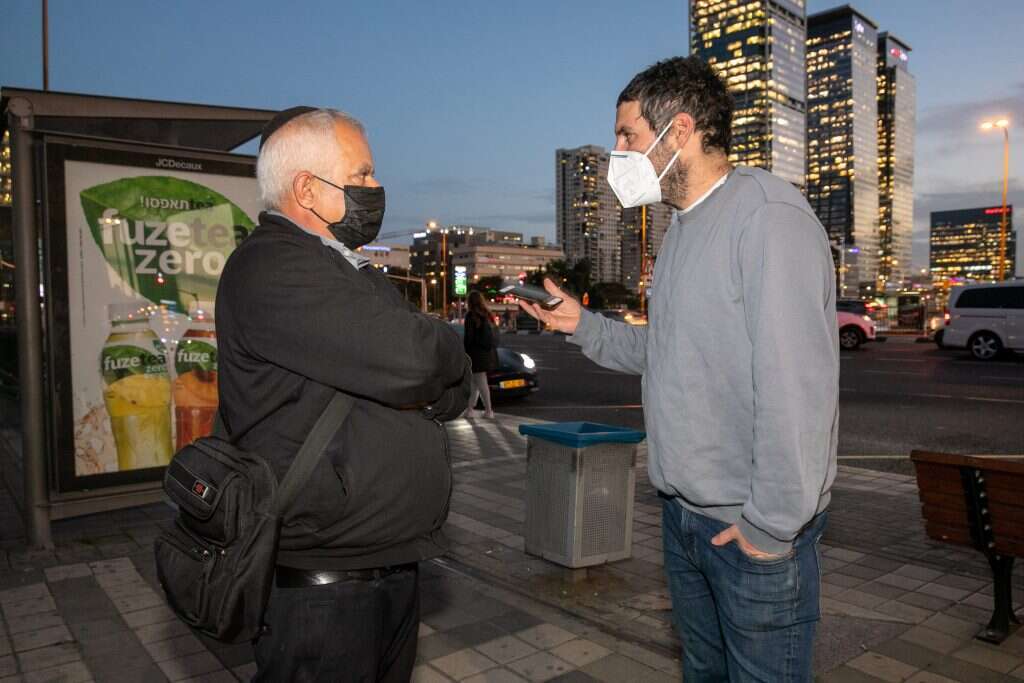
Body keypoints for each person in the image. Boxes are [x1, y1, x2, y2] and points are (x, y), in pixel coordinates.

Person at [519, 57, 839, 682]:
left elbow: (797, 389)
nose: (618, 151)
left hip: (750, 533)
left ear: (681, 130)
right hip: (685, 519)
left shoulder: (768, 220)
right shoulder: (680, 233)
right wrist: (581, 324)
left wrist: (770, 529)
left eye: (628, 135)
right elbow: (664, 352)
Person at [216, 107, 471, 682]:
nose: (376, 189)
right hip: (322, 590)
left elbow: (447, 388)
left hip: (387, 567)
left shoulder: (348, 271)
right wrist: (426, 363)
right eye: (360, 176)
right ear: (306, 188)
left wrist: (423, 371)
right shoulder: (270, 267)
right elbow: (417, 357)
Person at [463, 290, 498, 419]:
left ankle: (489, 411)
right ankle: (470, 409)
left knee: (480, 382)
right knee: (475, 382)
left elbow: (469, 338)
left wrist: (465, 352)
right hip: (487, 353)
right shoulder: (488, 315)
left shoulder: (470, 316)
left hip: (475, 354)